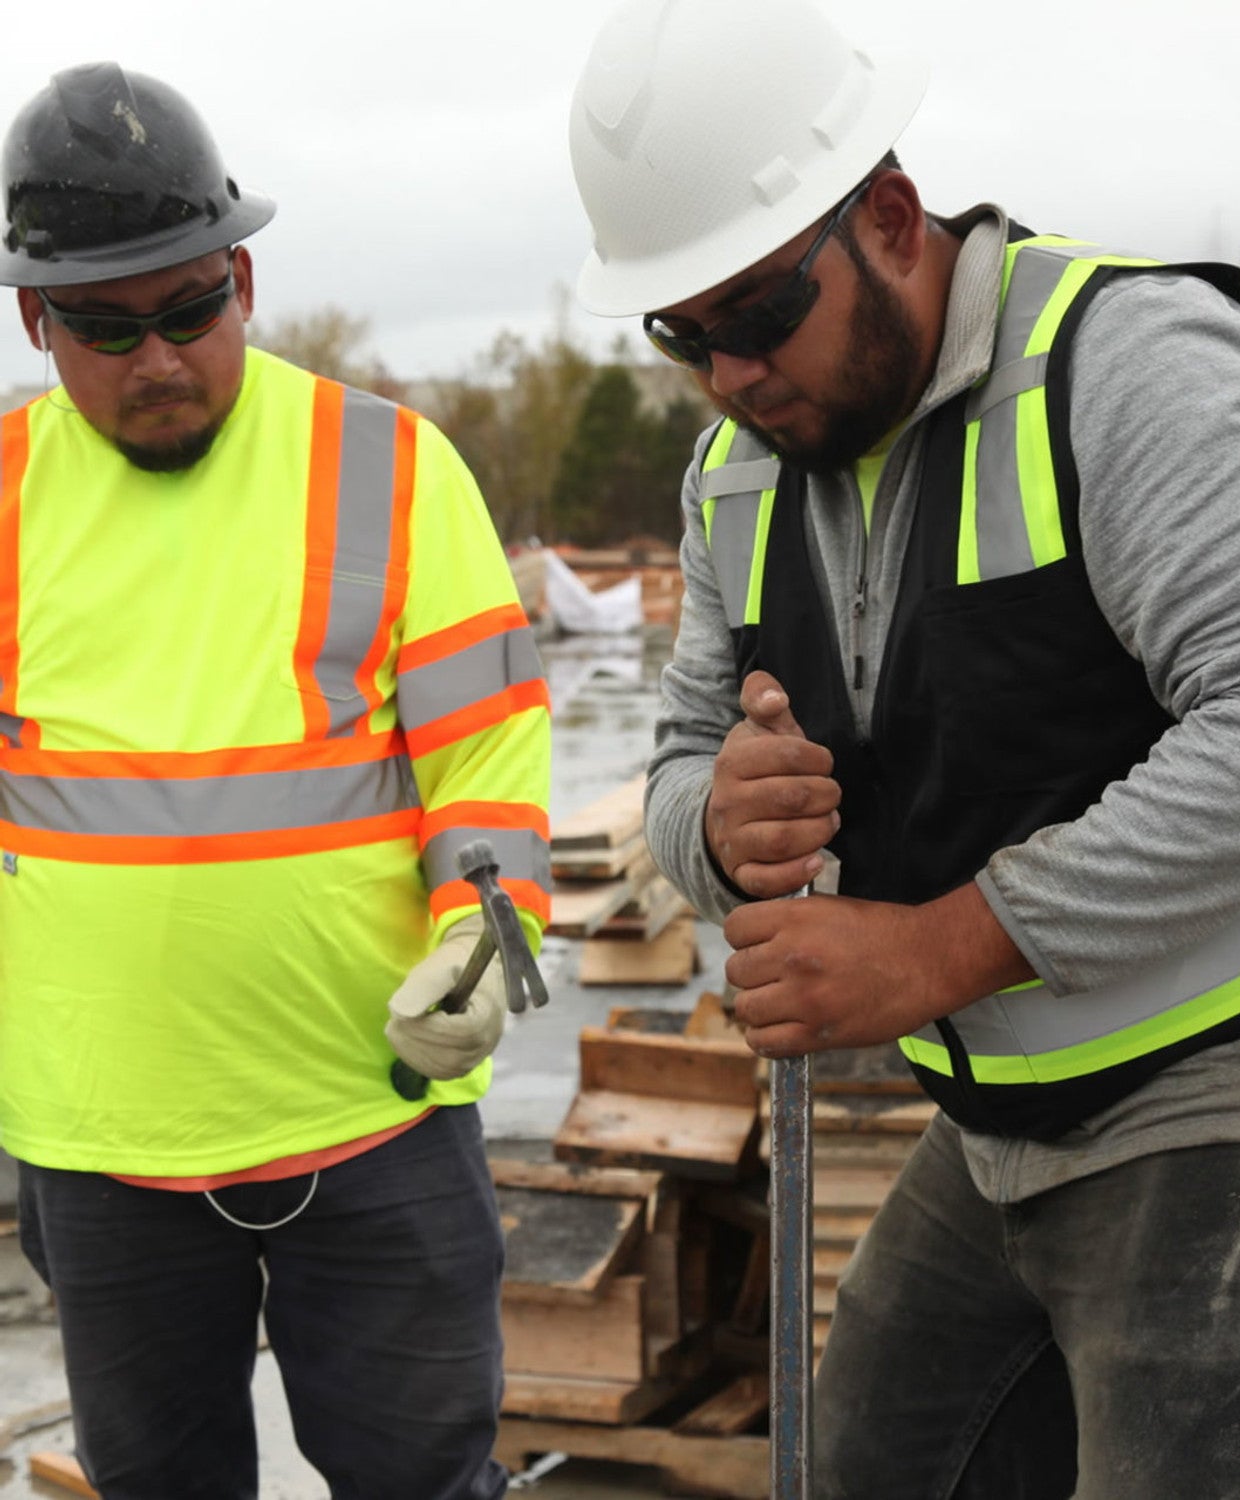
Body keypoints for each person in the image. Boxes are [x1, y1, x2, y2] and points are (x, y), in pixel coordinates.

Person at [566, 3, 1240, 1497]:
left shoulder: (1126, 366)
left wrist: (940, 949)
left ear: (886, 218)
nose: (729, 378)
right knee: (870, 1466)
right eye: (687, 338)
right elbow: (681, 757)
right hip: (1022, 1104)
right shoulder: (740, 476)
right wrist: (720, 827)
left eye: (757, 317)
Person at [0, 63, 550, 1500]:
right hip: (100, 1145)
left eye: (192, 310)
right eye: (106, 331)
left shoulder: (388, 467)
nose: (160, 359)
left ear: (243, 276)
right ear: (32, 319)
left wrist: (486, 943)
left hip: (375, 1123)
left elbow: (483, 760)